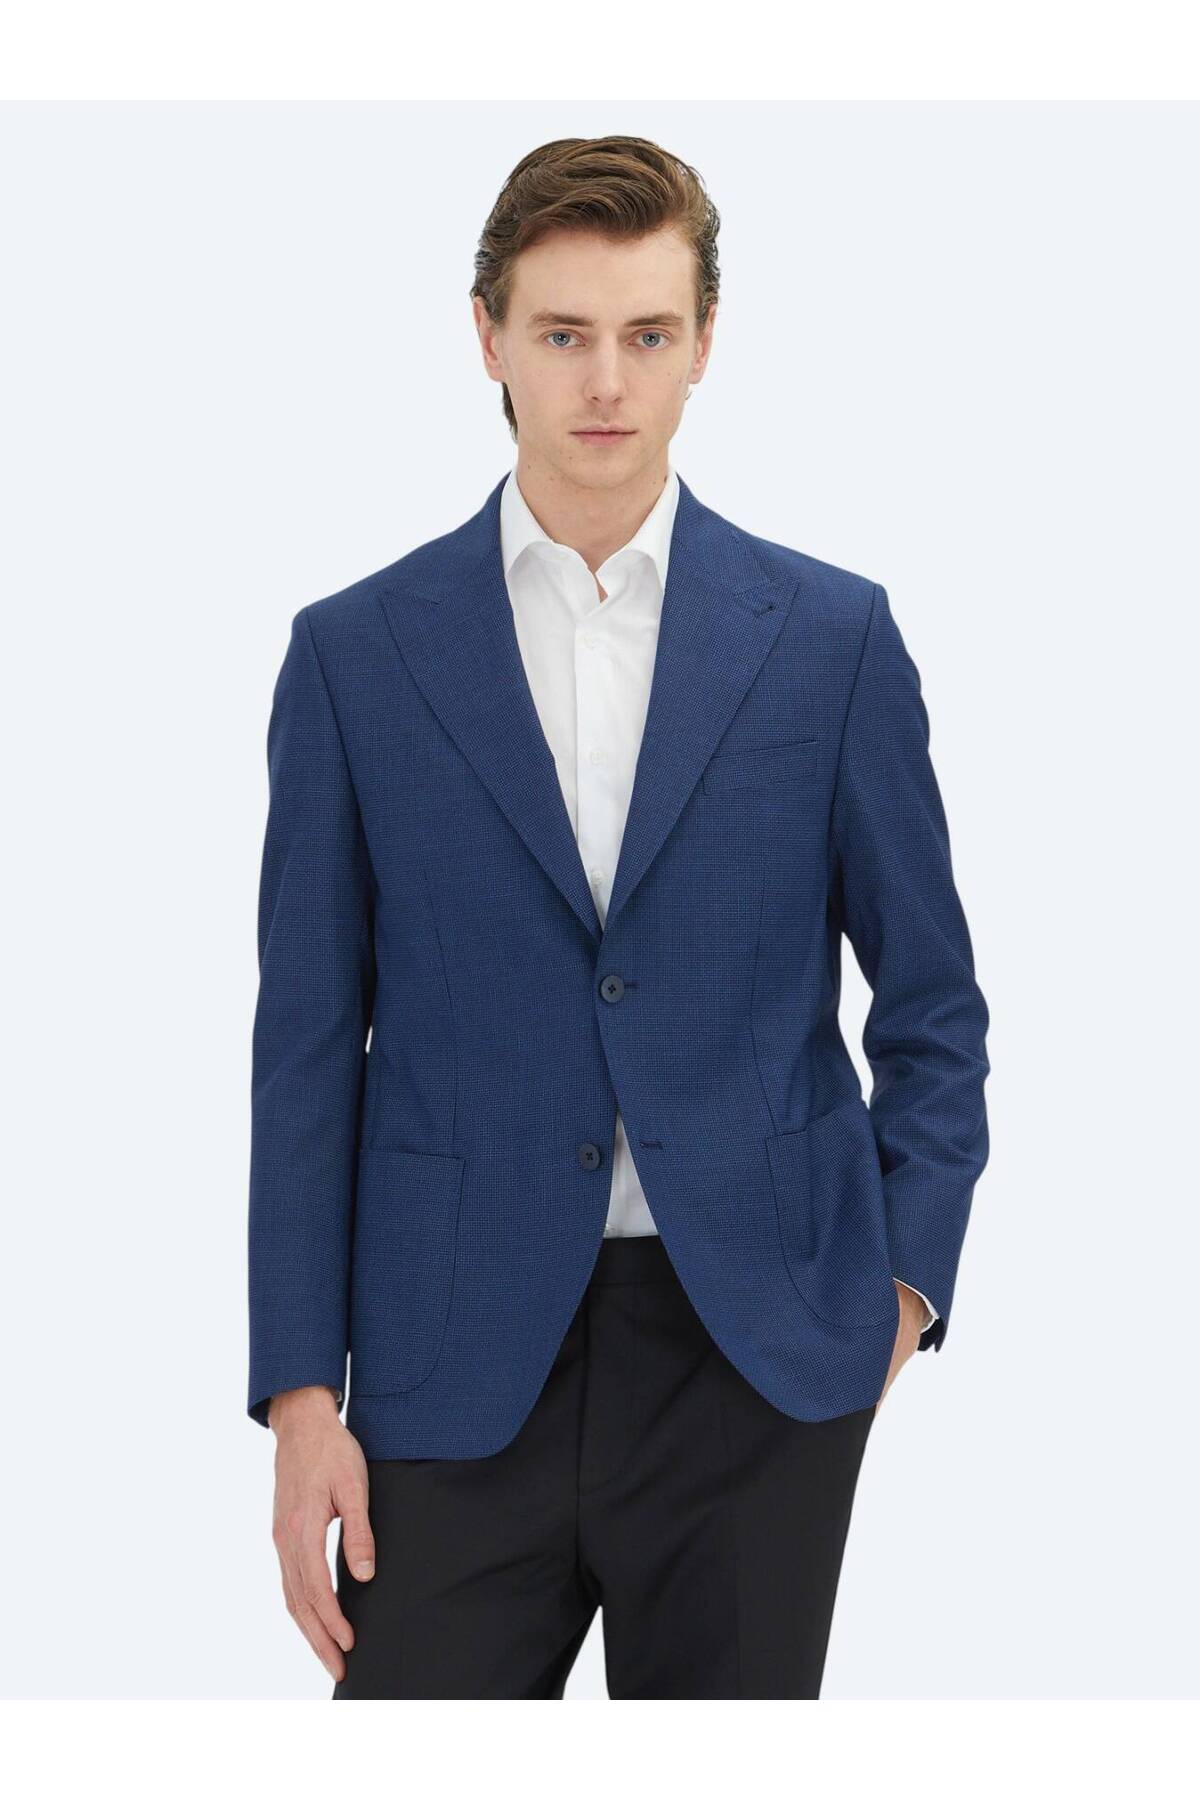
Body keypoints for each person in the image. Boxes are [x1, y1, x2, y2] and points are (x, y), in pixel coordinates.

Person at [247, 133, 990, 1699]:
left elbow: (933, 1009)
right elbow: (307, 1052)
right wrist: (302, 1395)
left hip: (756, 1362)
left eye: (648, 334)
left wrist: (901, 1291)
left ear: (705, 341)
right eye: (563, 333)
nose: (605, 382)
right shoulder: (356, 657)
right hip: (452, 1359)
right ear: (488, 337)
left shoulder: (831, 642)